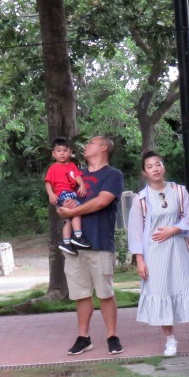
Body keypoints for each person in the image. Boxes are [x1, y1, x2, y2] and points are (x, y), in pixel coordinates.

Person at [129, 152, 189, 357]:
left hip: (177, 249)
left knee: (187, 287)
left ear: (163, 167)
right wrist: (140, 260)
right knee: (160, 292)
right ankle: (170, 341)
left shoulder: (179, 191)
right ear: (145, 172)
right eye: (150, 166)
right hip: (154, 253)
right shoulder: (140, 199)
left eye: (158, 164)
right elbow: (135, 232)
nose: (155, 169)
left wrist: (174, 229)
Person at [56, 135, 124, 355]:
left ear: (103, 147)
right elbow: (62, 198)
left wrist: (73, 211)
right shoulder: (77, 174)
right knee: (81, 294)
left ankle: (112, 336)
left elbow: (102, 201)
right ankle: (83, 338)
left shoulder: (113, 175)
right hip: (75, 246)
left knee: (105, 293)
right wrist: (63, 205)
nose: (85, 146)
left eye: (91, 143)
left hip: (100, 241)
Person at [43, 137, 91, 256]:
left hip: (71, 193)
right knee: (77, 210)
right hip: (62, 194)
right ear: (53, 154)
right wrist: (51, 194)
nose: (62, 153)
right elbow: (48, 182)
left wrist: (82, 185)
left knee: (68, 219)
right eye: (59, 151)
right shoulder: (53, 168)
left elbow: (77, 176)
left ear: (70, 152)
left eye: (65, 150)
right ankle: (78, 236)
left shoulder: (72, 166)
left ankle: (66, 242)